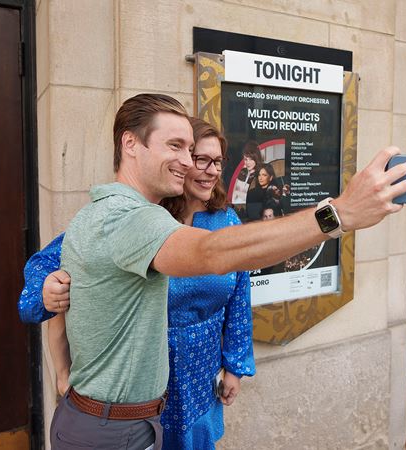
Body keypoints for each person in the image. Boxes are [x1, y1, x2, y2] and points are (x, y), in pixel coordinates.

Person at [43, 93, 406, 449]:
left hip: (152, 403)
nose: (192, 164)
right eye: (178, 148)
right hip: (114, 423)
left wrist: (233, 366)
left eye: (202, 156)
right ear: (129, 143)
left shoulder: (108, 212)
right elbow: (212, 253)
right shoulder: (132, 220)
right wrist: (339, 214)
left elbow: (236, 291)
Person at [18, 117, 254, 449]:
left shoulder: (225, 220)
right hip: (142, 377)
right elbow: (50, 258)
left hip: (201, 371)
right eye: (201, 159)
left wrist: (234, 366)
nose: (211, 170)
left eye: (217, 161)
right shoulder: (137, 218)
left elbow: (239, 299)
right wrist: (45, 286)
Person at [230, 140, 262, 205]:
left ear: (256, 159)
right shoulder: (243, 172)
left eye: (251, 159)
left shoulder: (259, 175)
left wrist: (239, 193)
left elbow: (253, 198)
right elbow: (234, 193)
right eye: (246, 159)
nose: (248, 162)